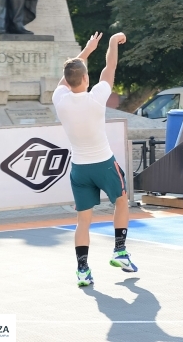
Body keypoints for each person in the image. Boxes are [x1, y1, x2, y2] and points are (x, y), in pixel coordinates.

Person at [52, 32, 136, 287]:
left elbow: (66, 79)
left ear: (67, 81)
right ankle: (120, 252)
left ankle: (82, 270)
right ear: (86, 78)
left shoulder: (60, 99)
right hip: (102, 163)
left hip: (79, 169)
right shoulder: (96, 97)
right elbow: (110, 67)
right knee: (122, 201)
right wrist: (112, 42)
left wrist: (86, 51)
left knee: (83, 221)